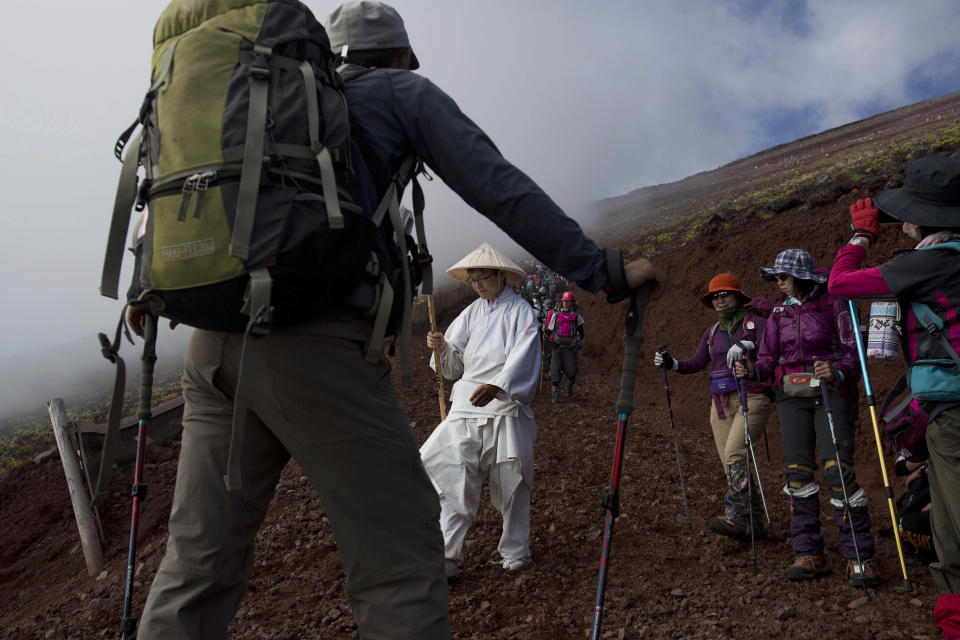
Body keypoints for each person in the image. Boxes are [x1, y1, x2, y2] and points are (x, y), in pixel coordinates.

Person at [131, 2, 663, 639]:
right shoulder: (400, 92)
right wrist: (598, 268)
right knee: (403, 556)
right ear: (402, 54)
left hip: (213, 343)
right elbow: (498, 187)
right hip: (316, 342)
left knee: (197, 561)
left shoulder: (269, 101)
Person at [827, 154, 960, 634]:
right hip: (947, 402)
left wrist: (861, 235)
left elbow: (840, 283)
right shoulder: (947, 256)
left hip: (952, 408)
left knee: (954, 518)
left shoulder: (933, 261)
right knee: (946, 513)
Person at [735, 249, 877, 588]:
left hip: (833, 394)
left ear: (800, 277)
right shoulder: (779, 314)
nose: (778, 284)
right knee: (797, 475)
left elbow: (853, 353)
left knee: (837, 471)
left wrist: (837, 371)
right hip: (791, 396)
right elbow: (768, 360)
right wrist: (751, 369)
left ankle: (859, 557)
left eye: (782, 277)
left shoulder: (835, 304)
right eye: (776, 278)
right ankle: (808, 553)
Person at [420, 243, 539, 577]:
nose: (477, 285)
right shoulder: (472, 312)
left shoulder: (522, 313)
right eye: (472, 280)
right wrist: (441, 347)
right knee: (454, 472)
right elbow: (454, 365)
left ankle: (516, 552)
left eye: (483, 278)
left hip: (505, 409)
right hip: (467, 405)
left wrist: (499, 386)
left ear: (500, 275)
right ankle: (445, 556)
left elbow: (525, 356)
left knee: (512, 480)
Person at [654, 274, 773, 541]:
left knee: (734, 455)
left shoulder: (756, 323)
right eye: (715, 296)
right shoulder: (712, 332)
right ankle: (752, 524)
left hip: (751, 397)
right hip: (719, 404)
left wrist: (746, 343)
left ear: (738, 296)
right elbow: (696, 363)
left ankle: (737, 516)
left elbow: (771, 344)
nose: (719, 299)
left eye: (724, 294)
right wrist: (671, 363)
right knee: (730, 464)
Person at [545, 290, 585, 403]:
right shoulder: (556, 315)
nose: (565, 303)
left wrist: (576, 340)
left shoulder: (577, 317)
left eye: (568, 301)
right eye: (564, 301)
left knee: (572, 371)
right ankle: (555, 393)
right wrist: (546, 332)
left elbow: (582, 333)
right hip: (557, 347)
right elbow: (550, 331)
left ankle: (569, 384)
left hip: (570, 348)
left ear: (572, 302)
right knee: (555, 370)